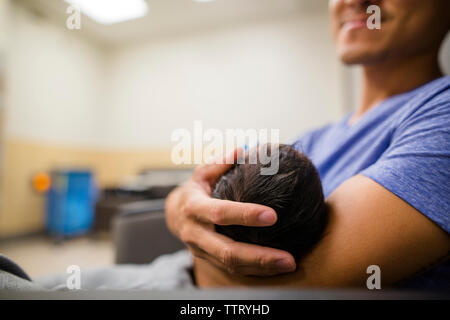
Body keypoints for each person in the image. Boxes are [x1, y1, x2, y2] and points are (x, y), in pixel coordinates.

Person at [165, 0, 450, 289]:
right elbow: (189, 191)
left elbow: (292, 290)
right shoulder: (314, 138)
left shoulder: (442, 116)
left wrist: (194, 229)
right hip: (170, 272)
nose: (352, 1)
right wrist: (182, 208)